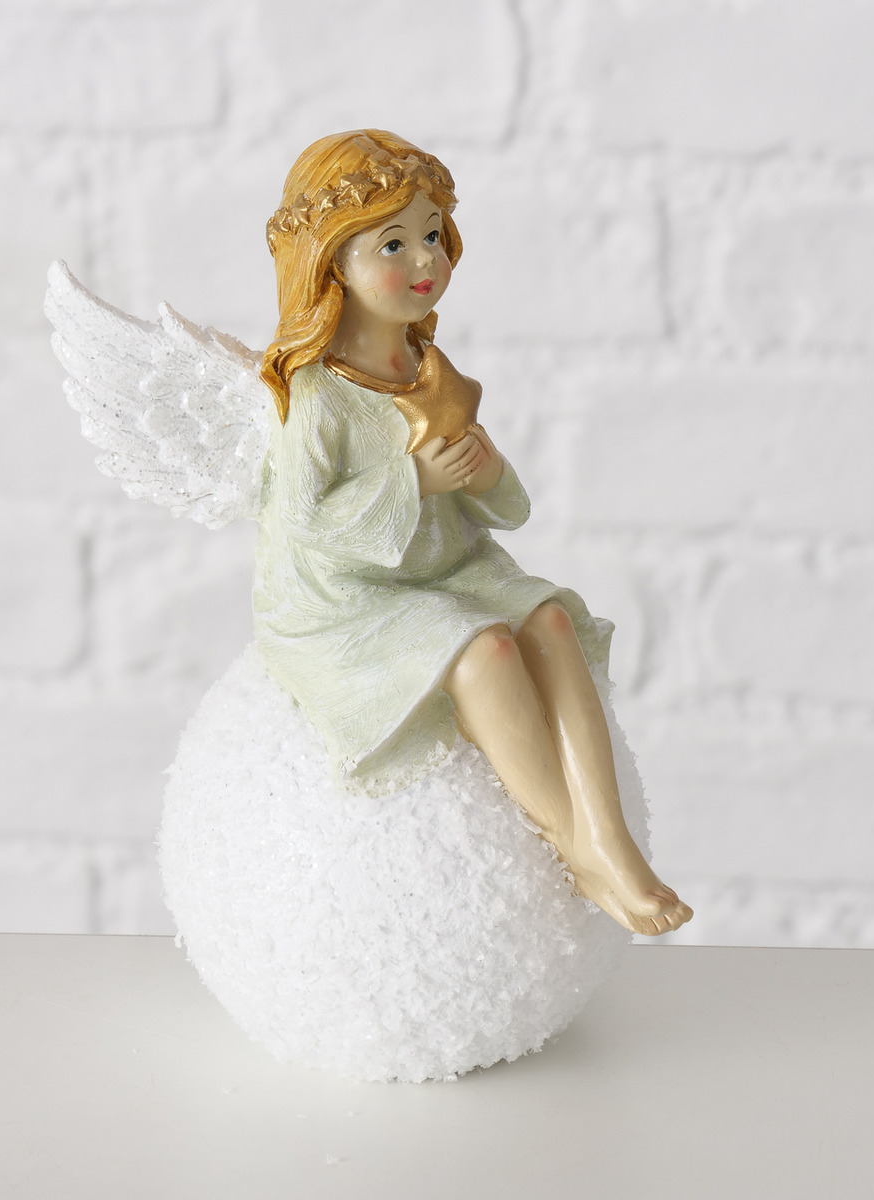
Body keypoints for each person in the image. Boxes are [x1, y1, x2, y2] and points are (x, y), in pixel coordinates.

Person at [253, 130, 691, 937]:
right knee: (485, 649)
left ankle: (610, 837)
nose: (426, 258)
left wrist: (481, 471)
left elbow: (505, 510)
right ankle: (572, 846)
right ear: (332, 263)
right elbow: (303, 526)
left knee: (549, 620)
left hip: (445, 567)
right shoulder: (314, 395)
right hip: (345, 599)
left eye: (432, 233)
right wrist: (413, 481)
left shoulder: (425, 363)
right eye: (393, 243)